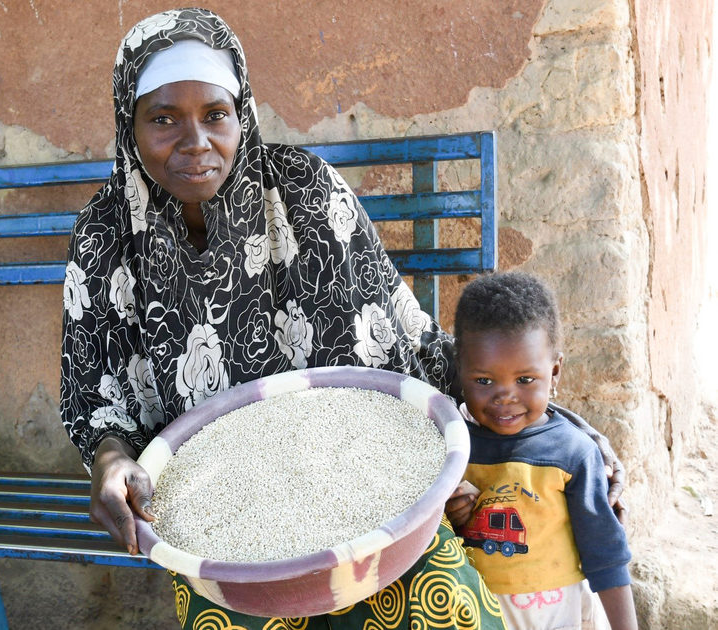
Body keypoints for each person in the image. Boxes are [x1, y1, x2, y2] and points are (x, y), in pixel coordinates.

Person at [60, 8, 622, 629]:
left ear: (240, 113)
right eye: (163, 119)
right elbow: (95, 398)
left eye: (215, 115)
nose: (196, 143)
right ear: (128, 123)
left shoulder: (303, 190)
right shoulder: (105, 234)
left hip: (365, 489)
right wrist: (111, 463)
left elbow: (403, 340)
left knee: (444, 609)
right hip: (222, 518)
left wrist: (557, 422)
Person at [445, 272, 637, 630]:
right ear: (461, 372)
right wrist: (450, 515)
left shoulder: (574, 452)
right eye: (484, 381)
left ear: (555, 372)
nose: (505, 396)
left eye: (525, 380)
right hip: (475, 613)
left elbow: (606, 556)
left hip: (555, 615)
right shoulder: (452, 448)